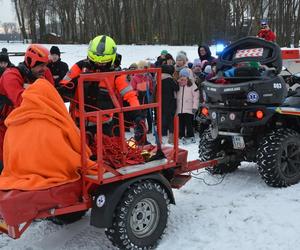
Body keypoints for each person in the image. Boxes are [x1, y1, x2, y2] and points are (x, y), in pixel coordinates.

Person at [60, 35, 145, 143]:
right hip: (78, 124)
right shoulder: (80, 67)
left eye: (103, 63)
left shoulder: (116, 74)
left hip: (104, 126)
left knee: (108, 154)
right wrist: (71, 85)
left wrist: (137, 115)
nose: (99, 65)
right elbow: (62, 88)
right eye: (95, 62)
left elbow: (129, 94)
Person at [0, 44, 54, 172]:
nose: (44, 69)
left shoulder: (44, 73)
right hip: (4, 126)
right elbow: (21, 101)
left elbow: (52, 95)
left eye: (46, 65)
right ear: (30, 61)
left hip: (28, 125)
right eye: (41, 65)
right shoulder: (11, 76)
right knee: (6, 165)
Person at [176, 68, 199, 144]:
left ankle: (191, 135)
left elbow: (196, 97)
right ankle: (181, 135)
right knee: (181, 123)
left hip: (189, 108)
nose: (183, 77)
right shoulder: (178, 84)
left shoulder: (192, 85)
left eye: (184, 76)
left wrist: (195, 107)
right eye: (181, 75)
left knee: (189, 123)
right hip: (180, 108)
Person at [130, 60, 154, 133]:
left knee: (149, 113)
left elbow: (151, 87)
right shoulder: (135, 78)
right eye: (142, 68)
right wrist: (138, 93)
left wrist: (150, 92)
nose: (144, 71)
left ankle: (150, 128)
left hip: (146, 96)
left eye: (145, 69)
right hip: (139, 97)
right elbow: (132, 88)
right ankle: (140, 128)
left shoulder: (148, 77)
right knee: (139, 113)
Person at [160, 64, 179, 144]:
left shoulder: (158, 79)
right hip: (170, 102)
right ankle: (171, 138)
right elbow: (176, 88)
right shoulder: (169, 79)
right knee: (171, 119)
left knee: (162, 118)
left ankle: (161, 135)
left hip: (161, 102)